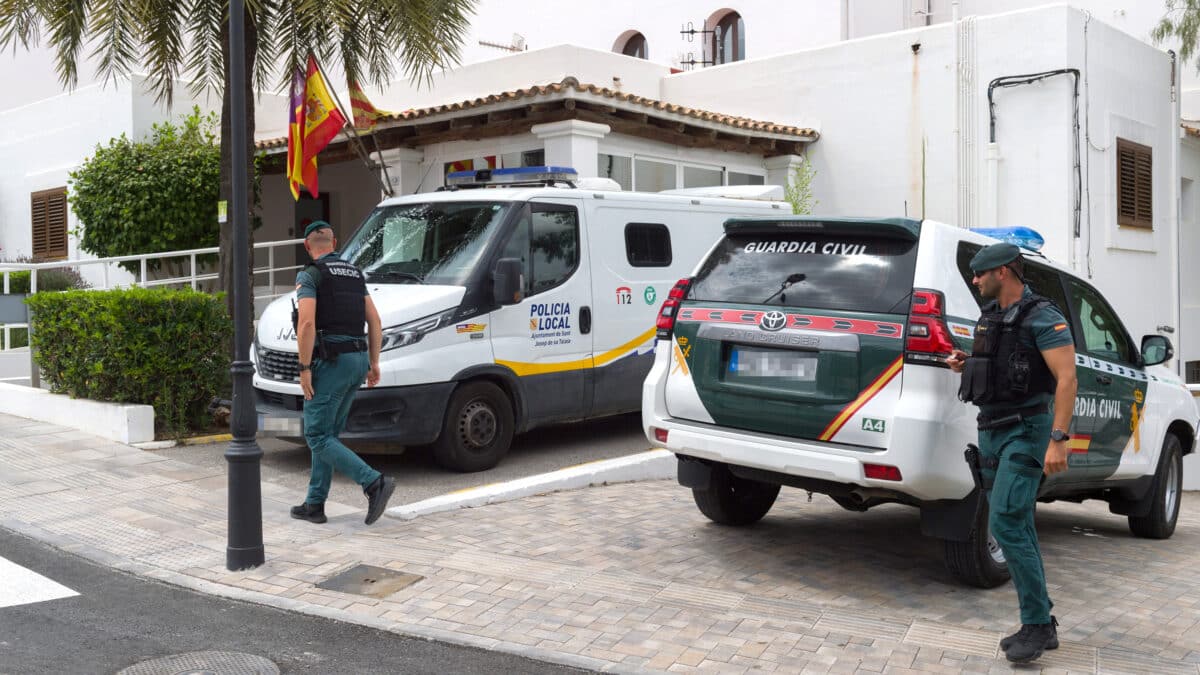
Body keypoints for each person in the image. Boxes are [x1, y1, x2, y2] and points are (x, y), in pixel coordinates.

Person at [946, 242, 1077, 664]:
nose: (974, 280)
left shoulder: (1044, 316)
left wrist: (1058, 438)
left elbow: (1067, 378)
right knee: (1017, 520)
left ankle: (1036, 625)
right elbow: (1005, 365)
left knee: (1004, 522)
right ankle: (1044, 622)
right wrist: (967, 364)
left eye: (980, 273)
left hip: (1027, 430)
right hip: (991, 429)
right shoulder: (991, 317)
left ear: (1002, 272)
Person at [289, 220, 395, 525]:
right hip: (357, 360)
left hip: (331, 363)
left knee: (317, 435)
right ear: (333, 243)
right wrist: (374, 363)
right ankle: (314, 504)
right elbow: (375, 321)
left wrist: (304, 367)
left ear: (307, 246)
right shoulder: (354, 274)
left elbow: (306, 324)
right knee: (328, 434)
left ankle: (374, 483)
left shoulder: (310, 274)